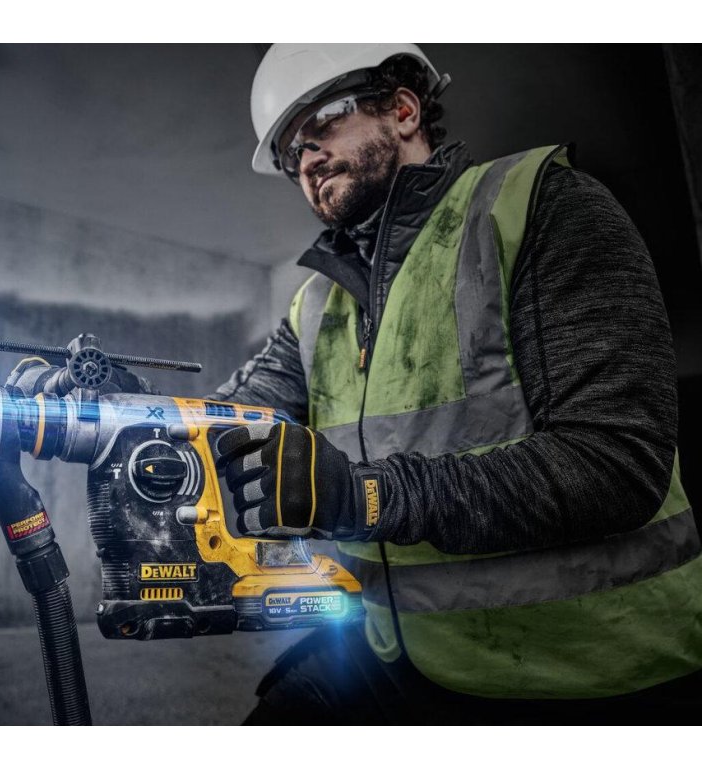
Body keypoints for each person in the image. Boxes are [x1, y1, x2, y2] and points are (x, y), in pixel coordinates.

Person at [204, 43, 702, 724]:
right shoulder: (317, 304)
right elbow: (226, 417)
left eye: (321, 123)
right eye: (292, 155)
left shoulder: (538, 206)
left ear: (404, 110)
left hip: (594, 669)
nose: (307, 160)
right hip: (403, 654)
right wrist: (105, 401)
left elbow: (616, 462)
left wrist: (365, 495)